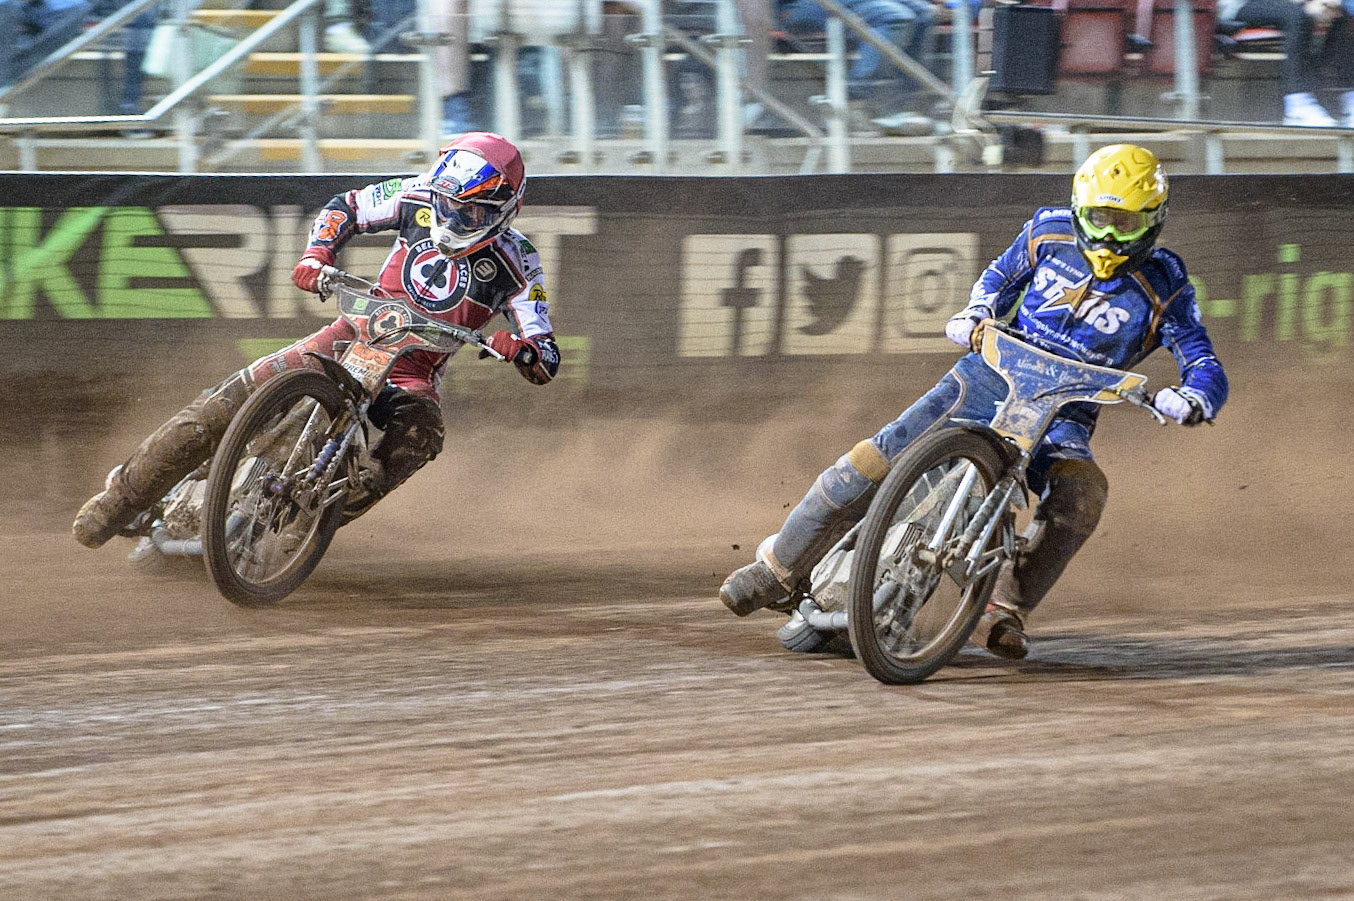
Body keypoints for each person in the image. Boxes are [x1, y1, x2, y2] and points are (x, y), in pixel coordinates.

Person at [718, 144, 1228, 660]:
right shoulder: (1047, 231)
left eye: (1125, 222)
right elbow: (1000, 276)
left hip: (1063, 412)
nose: (1109, 234)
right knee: (874, 456)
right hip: (985, 376)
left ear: (1153, 221)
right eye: (1099, 218)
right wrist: (977, 308)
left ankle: (1002, 610)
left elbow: (1204, 362)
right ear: (1078, 209)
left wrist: (1193, 398)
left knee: (1082, 493)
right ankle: (777, 569)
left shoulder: (1167, 284)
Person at [72, 132, 560, 549]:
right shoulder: (416, 194)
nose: (453, 219)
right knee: (223, 405)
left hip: (410, 375)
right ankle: (120, 500)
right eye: (448, 205)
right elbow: (345, 207)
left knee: (419, 436)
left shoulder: (520, 264)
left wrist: (525, 351)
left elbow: (546, 352)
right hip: (348, 335)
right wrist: (317, 254)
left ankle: (294, 533)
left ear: (505, 211)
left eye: (470, 213)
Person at [1219, 0, 1354, 126]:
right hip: (1240, 5)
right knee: (1298, 14)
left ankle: (1350, 100)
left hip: (1291, 5)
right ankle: (1297, 106)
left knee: (1341, 13)